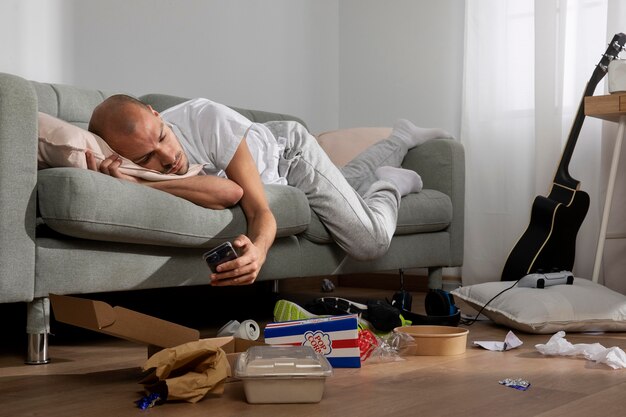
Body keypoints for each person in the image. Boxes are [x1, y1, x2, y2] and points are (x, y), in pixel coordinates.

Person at [87, 95, 451, 287]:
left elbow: (243, 200)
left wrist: (258, 250)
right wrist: (133, 178)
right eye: (147, 157)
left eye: (163, 137)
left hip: (289, 155)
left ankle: (392, 183)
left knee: (369, 241)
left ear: (156, 113)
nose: (168, 158)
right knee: (346, 183)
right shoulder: (129, 163)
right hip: (273, 168)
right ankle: (401, 137)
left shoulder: (205, 119)